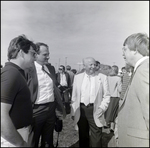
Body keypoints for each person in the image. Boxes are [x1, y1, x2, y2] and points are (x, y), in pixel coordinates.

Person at [25, 42, 66, 147]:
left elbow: (54, 86)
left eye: (48, 54)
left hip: (51, 109)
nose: (48, 57)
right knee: (32, 141)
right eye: (45, 54)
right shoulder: (28, 69)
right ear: (35, 55)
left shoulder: (51, 69)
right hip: (36, 110)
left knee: (48, 141)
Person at [1, 35, 37, 147]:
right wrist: (20, 143)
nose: (35, 58)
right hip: (11, 139)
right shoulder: (12, 73)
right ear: (21, 53)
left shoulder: (16, 73)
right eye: (33, 54)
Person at [118, 33, 149, 147]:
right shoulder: (141, 69)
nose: (122, 54)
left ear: (135, 49)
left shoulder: (145, 70)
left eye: (125, 49)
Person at [71, 57, 110, 147]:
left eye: (94, 64)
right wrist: (73, 111)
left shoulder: (102, 77)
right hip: (81, 110)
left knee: (96, 135)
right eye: (90, 65)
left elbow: (107, 96)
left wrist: (102, 108)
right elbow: (74, 96)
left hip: (96, 109)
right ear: (84, 66)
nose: (93, 67)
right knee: (83, 134)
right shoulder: (77, 77)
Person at [104, 65, 122, 133]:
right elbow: (120, 89)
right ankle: (112, 126)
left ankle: (106, 123)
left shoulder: (107, 77)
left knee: (107, 110)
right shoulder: (118, 78)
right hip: (115, 97)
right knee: (114, 112)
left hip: (107, 96)